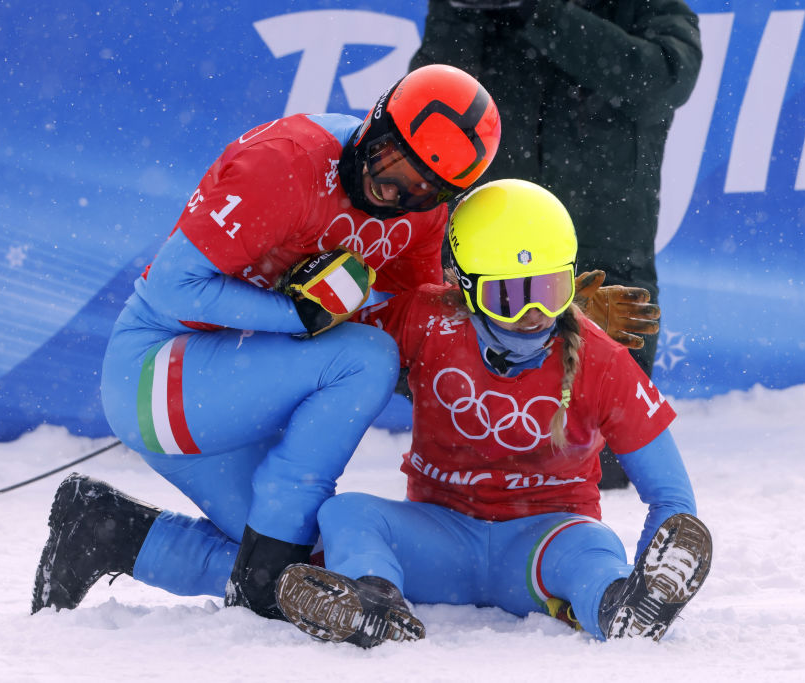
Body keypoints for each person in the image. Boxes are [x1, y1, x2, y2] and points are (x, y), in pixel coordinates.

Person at [30, 64, 502, 621]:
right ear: (375, 124)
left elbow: (417, 321)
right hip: (157, 370)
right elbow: (171, 287)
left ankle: (106, 532)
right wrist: (296, 315)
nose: (395, 192)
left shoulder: (420, 217)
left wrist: (554, 326)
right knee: (365, 357)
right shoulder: (285, 163)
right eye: (394, 164)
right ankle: (271, 558)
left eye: (425, 189)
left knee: (319, 571)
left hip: (230, 386)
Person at [272, 178, 712, 648]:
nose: (535, 314)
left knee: (594, 546)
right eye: (509, 297)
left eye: (550, 289)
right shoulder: (427, 318)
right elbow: (333, 353)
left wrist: (653, 570)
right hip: (438, 540)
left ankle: (622, 606)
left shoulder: (601, 360)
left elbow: (672, 502)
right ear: (464, 289)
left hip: (545, 547)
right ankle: (373, 600)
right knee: (346, 513)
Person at [410, 0, 703, 488]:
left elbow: (661, 81)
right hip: (493, 261)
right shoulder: (475, 9)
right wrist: (465, 13)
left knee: (598, 473)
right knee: (469, 466)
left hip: (605, 258)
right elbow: (431, 102)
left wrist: (538, 11)